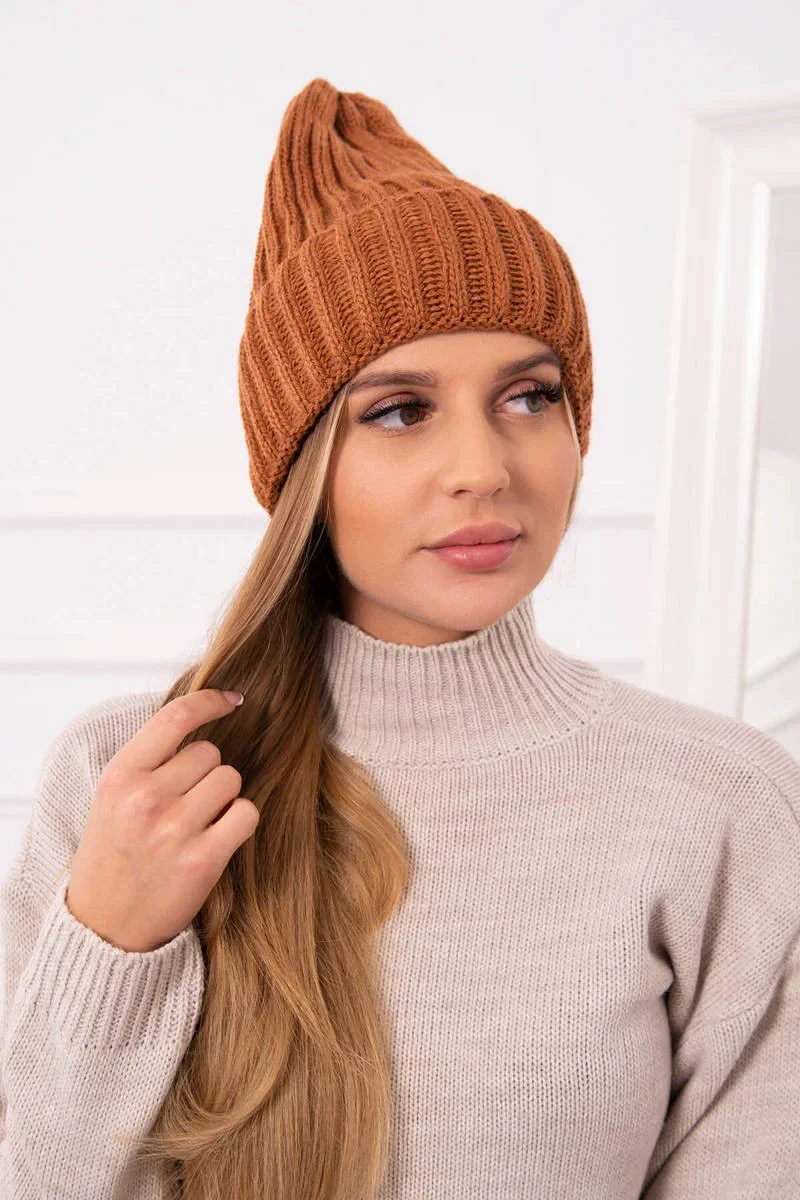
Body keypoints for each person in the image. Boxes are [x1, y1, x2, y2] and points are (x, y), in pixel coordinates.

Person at [1, 77, 798, 1200]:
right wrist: (112, 950)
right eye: (398, 410)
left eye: (530, 396)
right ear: (302, 470)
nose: (483, 466)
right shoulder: (135, 781)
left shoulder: (721, 804)